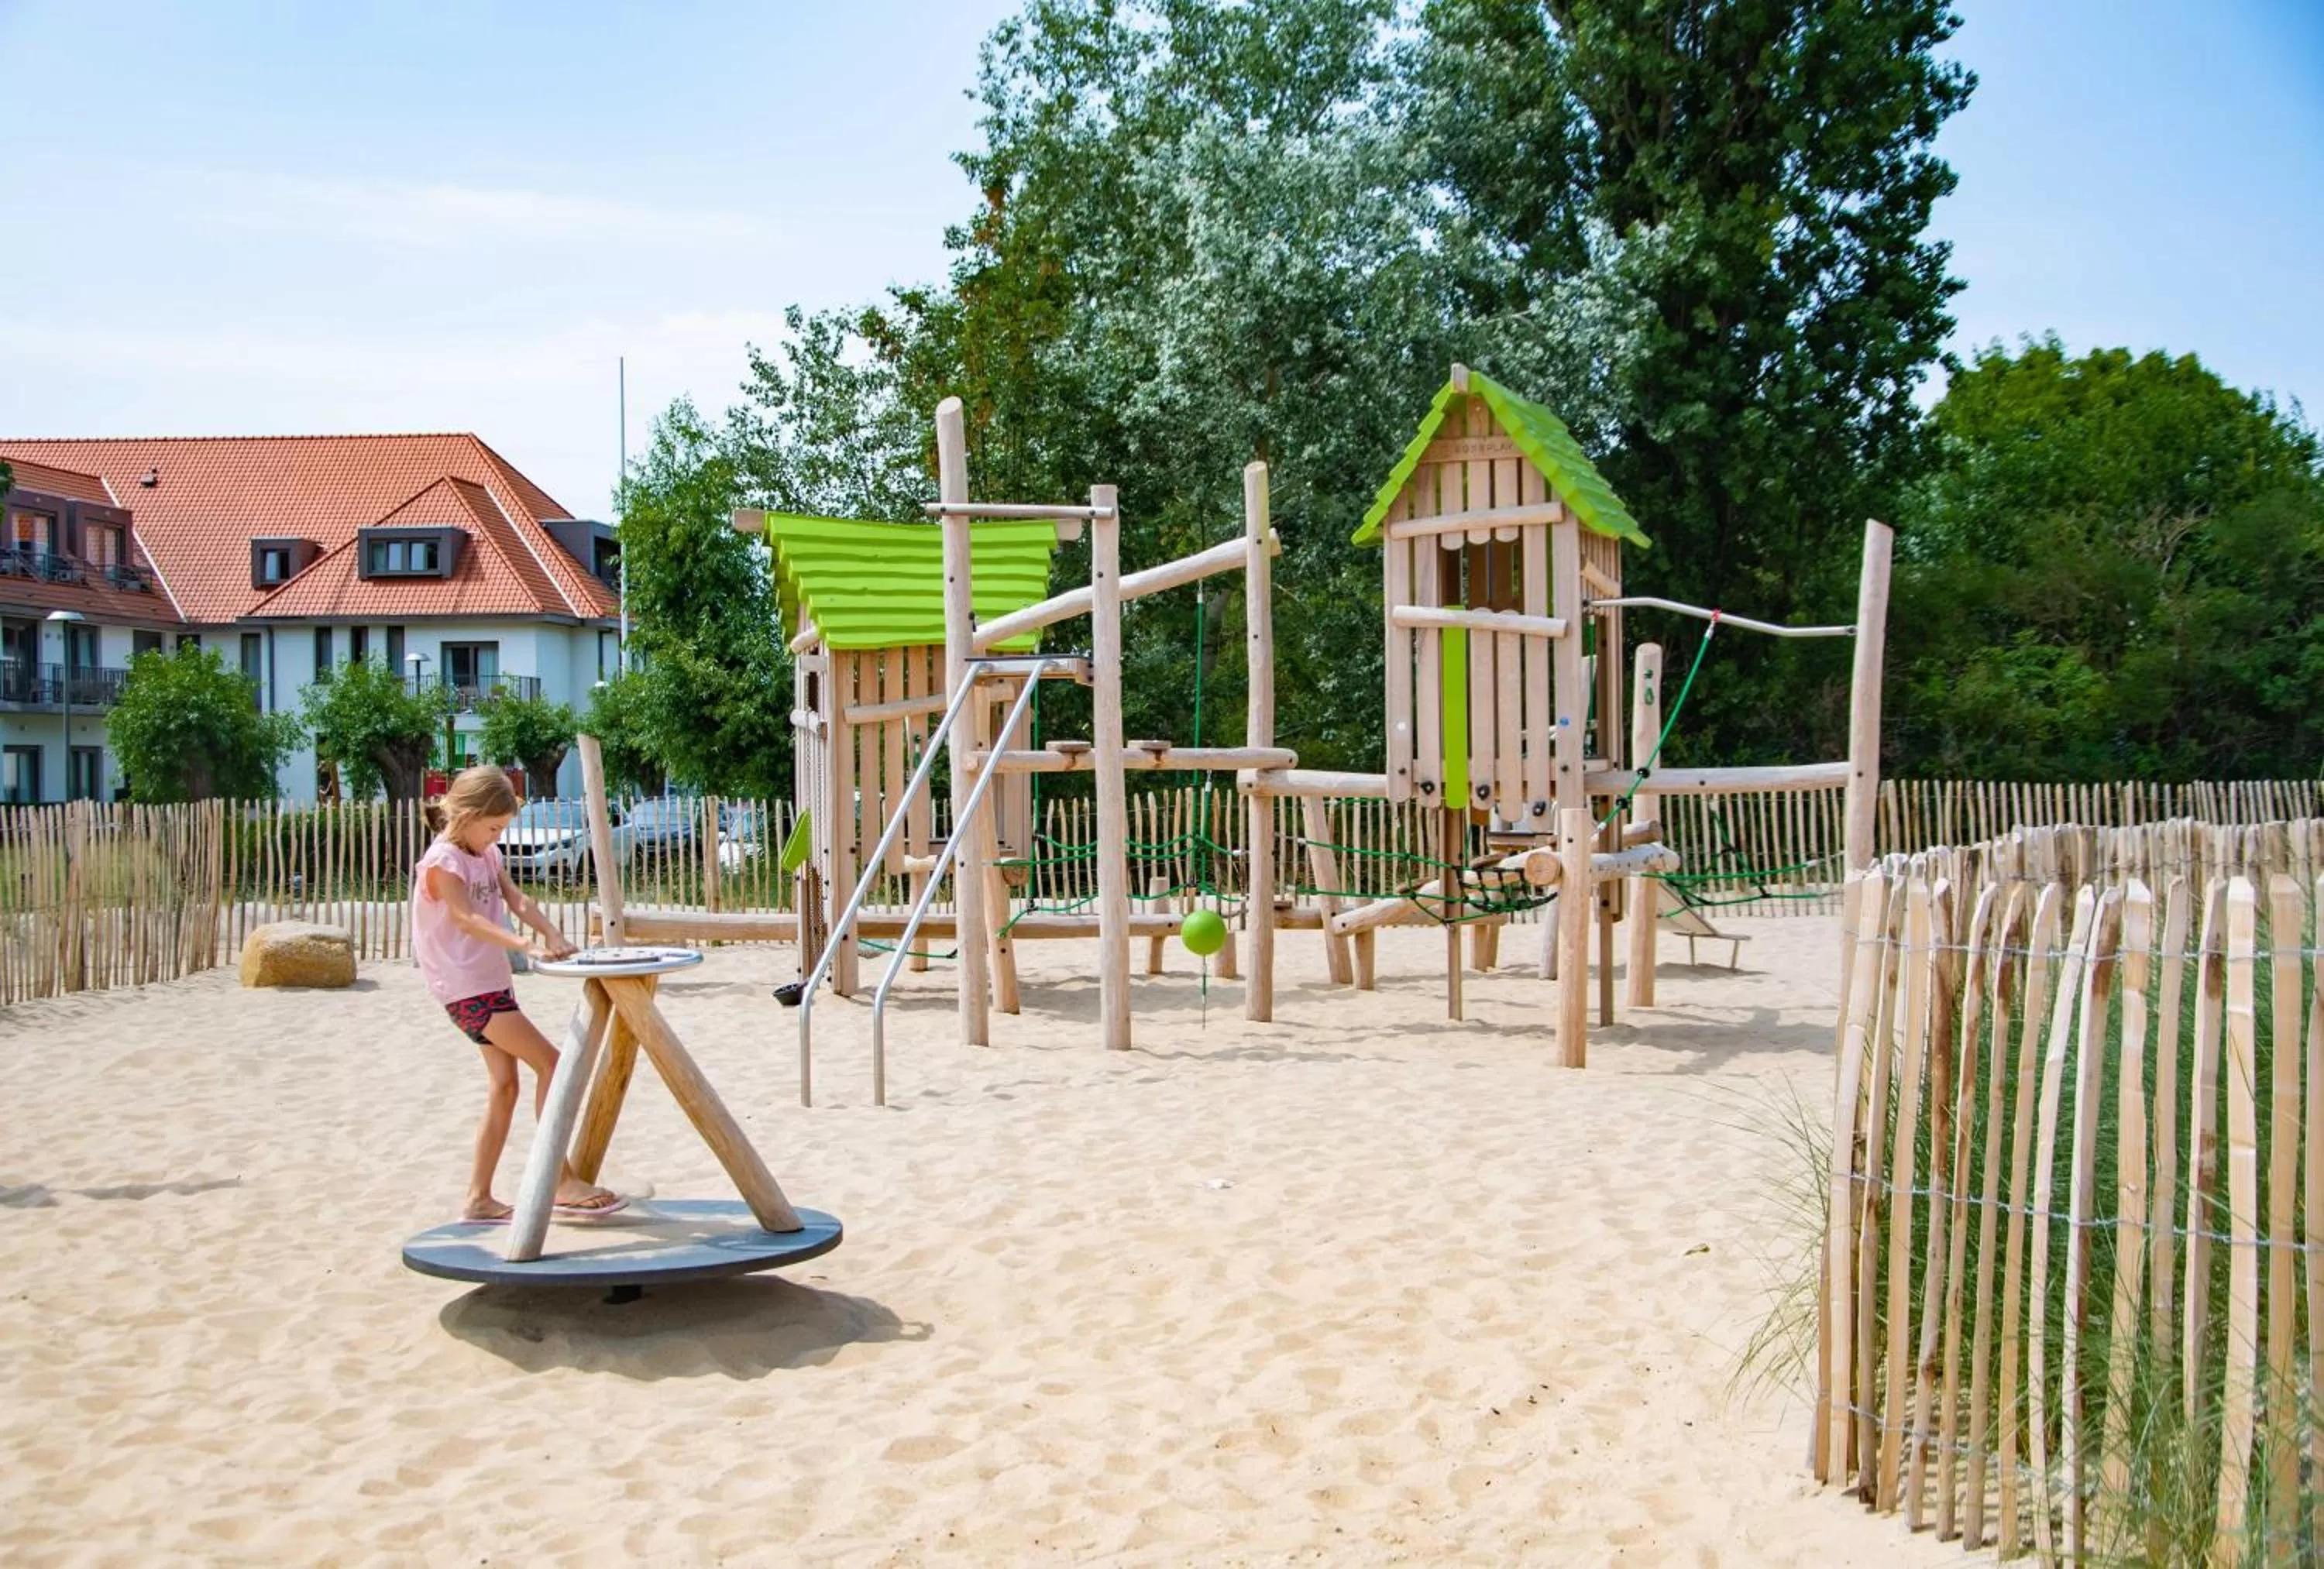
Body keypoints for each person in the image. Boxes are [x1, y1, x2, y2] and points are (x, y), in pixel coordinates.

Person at [411, 765, 624, 1224]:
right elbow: (466, 919)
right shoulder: (442, 862)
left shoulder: (485, 856)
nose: (495, 837)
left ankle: (478, 1198)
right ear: (465, 815)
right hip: (466, 990)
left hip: (490, 985)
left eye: (502, 829)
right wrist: (524, 945)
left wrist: (550, 932)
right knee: (551, 1063)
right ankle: (560, 1179)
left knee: (505, 1087)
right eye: (493, 828)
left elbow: (517, 900)